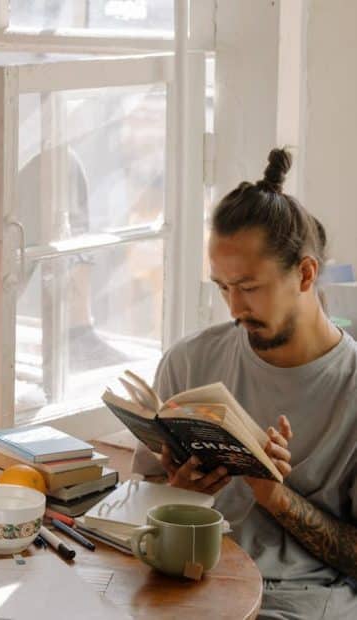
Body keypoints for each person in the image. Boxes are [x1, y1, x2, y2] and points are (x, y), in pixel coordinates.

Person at [132, 148, 357, 618]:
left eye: (249, 287)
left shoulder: (350, 387)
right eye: (222, 287)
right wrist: (181, 492)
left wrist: (274, 497)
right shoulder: (190, 361)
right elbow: (143, 497)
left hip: (295, 601)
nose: (234, 308)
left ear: (306, 273)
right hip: (186, 581)